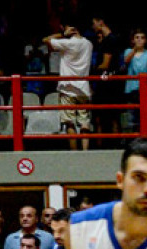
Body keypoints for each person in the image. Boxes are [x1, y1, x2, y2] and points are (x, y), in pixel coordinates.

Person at [44, 18, 93, 150]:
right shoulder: (88, 44)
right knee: (84, 122)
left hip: (67, 88)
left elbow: (45, 40)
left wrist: (63, 35)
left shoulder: (67, 43)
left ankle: (74, 153)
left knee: (69, 122)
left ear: (71, 29)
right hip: (83, 87)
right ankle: (85, 152)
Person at [123, 30, 147, 134]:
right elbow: (126, 61)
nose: (139, 40)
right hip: (132, 88)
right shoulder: (128, 51)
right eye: (137, 37)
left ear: (146, 40)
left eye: (142, 37)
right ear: (133, 40)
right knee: (132, 119)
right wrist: (135, 49)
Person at [90, 14, 122, 141]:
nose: (92, 27)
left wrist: (91, 71)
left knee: (110, 117)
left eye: (94, 23)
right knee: (102, 117)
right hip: (107, 84)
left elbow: (105, 64)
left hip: (108, 85)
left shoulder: (110, 40)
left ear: (100, 22)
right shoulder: (108, 40)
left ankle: (113, 148)